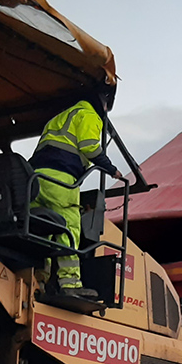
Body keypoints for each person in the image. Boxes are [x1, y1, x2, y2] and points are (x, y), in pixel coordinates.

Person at [28, 85, 124, 299]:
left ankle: (38, 281)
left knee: (44, 231)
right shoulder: (89, 115)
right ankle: (70, 284)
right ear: (104, 102)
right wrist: (112, 169)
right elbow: (90, 147)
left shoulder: (59, 118)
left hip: (34, 181)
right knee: (69, 227)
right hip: (60, 180)